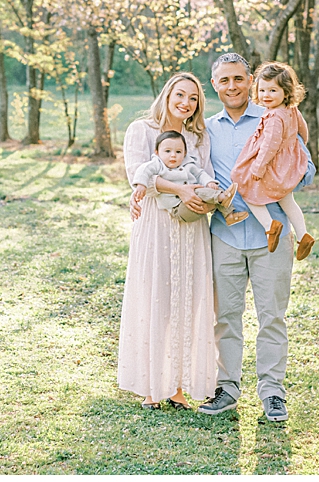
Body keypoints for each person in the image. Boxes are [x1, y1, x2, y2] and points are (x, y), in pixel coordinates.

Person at [197, 52, 315, 423]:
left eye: (238, 78)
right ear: (214, 85)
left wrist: (280, 177)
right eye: (223, 80)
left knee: (272, 317)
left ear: (250, 81)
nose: (231, 86)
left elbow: (307, 168)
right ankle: (227, 387)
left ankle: (272, 392)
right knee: (226, 317)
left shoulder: (275, 115)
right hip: (225, 234)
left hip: (273, 236)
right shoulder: (205, 128)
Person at [119, 72, 218, 410]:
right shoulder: (141, 130)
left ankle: (176, 386)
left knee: (184, 301)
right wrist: (178, 189)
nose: (185, 103)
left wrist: (204, 198)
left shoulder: (198, 138)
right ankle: (150, 386)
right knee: (155, 298)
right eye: (180, 94)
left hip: (190, 227)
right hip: (155, 225)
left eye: (193, 98)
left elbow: (206, 176)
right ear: (167, 94)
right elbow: (138, 174)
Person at [230, 61, 316, 258]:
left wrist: (258, 168)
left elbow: (270, 144)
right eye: (262, 90)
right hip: (288, 162)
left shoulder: (274, 117)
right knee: (287, 199)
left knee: (243, 184)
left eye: (272, 91)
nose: (266, 95)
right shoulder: (292, 109)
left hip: (272, 163)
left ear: (285, 92)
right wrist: (295, 145)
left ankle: (270, 226)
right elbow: (303, 130)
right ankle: (303, 235)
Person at [131, 130, 248, 225]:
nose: (173, 155)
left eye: (178, 151)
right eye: (167, 151)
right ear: (157, 152)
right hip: (178, 209)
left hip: (197, 207)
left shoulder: (188, 164)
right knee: (198, 191)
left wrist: (209, 182)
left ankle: (229, 215)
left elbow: (200, 173)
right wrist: (141, 185)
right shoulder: (157, 164)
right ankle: (222, 197)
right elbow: (143, 170)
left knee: (212, 190)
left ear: (185, 153)